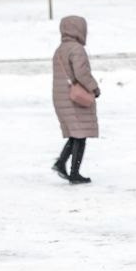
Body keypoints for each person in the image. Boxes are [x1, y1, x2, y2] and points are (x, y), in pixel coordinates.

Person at [52, 15, 100, 184]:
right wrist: (94, 87)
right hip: (74, 98)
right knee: (80, 135)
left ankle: (61, 163)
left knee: (75, 134)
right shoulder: (76, 49)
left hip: (62, 96)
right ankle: (74, 172)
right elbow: (81, 73)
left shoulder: (60, 49)